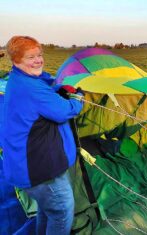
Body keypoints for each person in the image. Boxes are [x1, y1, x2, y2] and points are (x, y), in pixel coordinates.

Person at [0, 36, 84, 234]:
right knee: (62, 212)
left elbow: (42, 89)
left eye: (39, 55)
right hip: (41, 170)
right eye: (31, 57)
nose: (38, 60)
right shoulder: (31, 89)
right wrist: (78, 98)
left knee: (47, 210)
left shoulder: (19, 79)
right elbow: (64, 110)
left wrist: (55, 88)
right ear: (16, 60)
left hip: (26, 165)